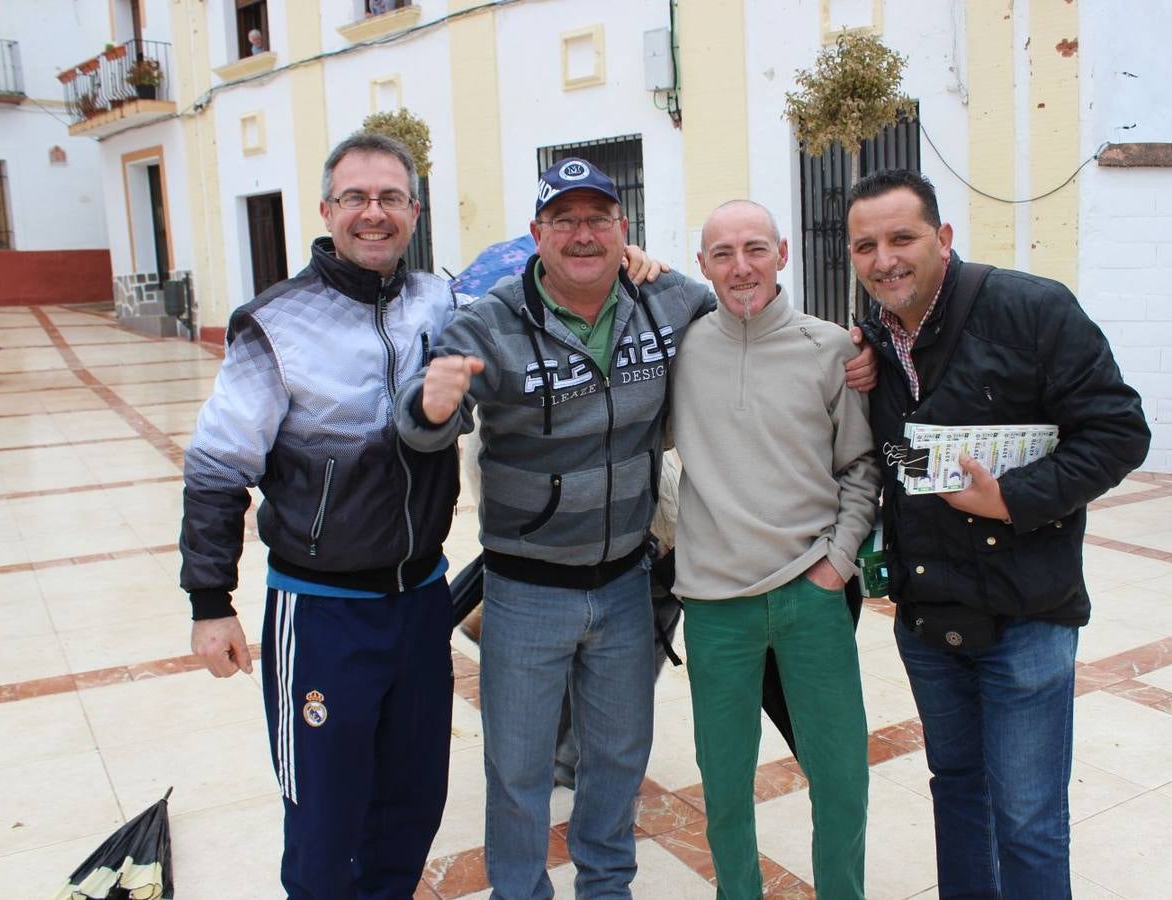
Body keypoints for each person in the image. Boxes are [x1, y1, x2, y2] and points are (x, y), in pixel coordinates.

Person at [395, 157, 718, 899]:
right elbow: (421, 428)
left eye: (597, 218)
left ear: (623, 229)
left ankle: (606, 887)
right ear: (536, 234)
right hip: (525, 590)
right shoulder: (489, 320)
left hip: (626, 586)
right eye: (564, 220)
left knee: (617, 758)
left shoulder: (667, 299)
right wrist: (430, 408)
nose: (582, 234)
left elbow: (743, 316)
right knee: (518, 769)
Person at [847, 169, 1150, 898]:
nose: (884, 258)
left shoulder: (1030, 310)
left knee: (1027, 818)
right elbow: (904, 458)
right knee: (956, 791)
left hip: (1025, 617)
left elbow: (1118, 432)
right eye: (865, 245)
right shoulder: (875, 346)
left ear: (943, 238)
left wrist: (1010, 499)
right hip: (929, 621)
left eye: (902, 238)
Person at [181, 131, 460, 898]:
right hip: (324, 612)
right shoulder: (272, 324)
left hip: (421, 602)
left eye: (391, 198)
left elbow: (525, 287)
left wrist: (638, 266)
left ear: (414, 209)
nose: (374, 214)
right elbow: (215, 469)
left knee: (411, 805)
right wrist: (212, 602)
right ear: (327, 210)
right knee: (326, 822)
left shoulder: (439, 299)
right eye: (356, 199)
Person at [671, 200, 880, 899]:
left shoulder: (833, 350)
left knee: (843, 781)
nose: (741, 266)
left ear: (783, 253)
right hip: (714, 607)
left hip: (808, 595)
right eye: (722, 253)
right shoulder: (682, 349)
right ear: (702, 267)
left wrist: (838, 561)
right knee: (727, 794)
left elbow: (861, 466)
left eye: (754, 248)